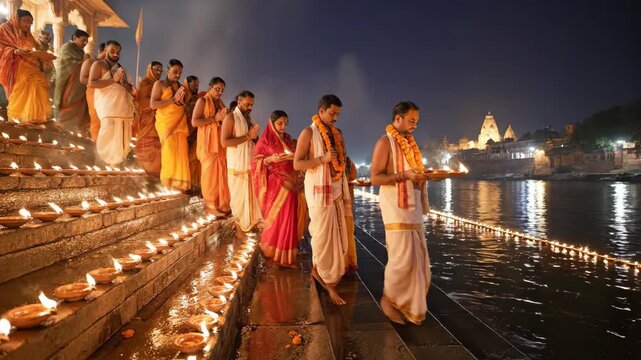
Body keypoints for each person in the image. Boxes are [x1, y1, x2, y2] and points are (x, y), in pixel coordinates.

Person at [370, 101, 430, 325]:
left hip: (412, 206)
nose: (415, 125)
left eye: (417, 121)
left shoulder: (409, 143)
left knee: (417, 257)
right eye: (411, 120)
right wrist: (405, 176)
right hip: (395, 206)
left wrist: (424, 177)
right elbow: (376, 178)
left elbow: (412, 173)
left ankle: (406, 304)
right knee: (402, 258)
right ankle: (388, 300)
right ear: (398, 119)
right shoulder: (385, 142)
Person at [293, 94, 350, 305]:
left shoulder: (337, 134)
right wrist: (322, 160)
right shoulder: (308, 132)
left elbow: (341, 160)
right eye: (332, 113)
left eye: (338, 114)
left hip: (335, 191)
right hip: (318, 191)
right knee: (323, 238)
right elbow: (298, 164)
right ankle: (329, 285)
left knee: (338, 237)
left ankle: (320, 273)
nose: (335, 117)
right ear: (321, 111)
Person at [251, 110, 302, 268]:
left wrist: (293, 156)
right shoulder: (265, 140)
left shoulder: (288, 139)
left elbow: (296, 154)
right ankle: (270, 252)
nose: (283, 126)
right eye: (280, 123)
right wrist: (270, 159)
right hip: (274, 185)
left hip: (290, 184)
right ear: (272, 123)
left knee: (289, 218)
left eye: (286, 123)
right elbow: (255, 162)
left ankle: (285, 256)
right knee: (276, 219)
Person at [0, 10, 51, 127]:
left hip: (32, 65)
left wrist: (42, 58)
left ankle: (33, 119)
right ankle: (18, 118)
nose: (28, 25)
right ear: (17, 18)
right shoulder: (5, 28)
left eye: (31, 22)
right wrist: (13, 51)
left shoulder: (29, 35)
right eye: (26, 21)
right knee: (24, 86)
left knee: (39, 85)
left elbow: (33, 49)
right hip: (15, 65)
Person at [221, 90, 262, 235]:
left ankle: (249, 228)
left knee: (250, 199)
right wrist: (247, 136)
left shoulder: (248, 119)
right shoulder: (230, 118)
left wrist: (254, 137)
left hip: (248, 165)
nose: (250, 108)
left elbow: (251, 140)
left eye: (252, 105)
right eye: (247, 104)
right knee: (238, 201)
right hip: (237, 167)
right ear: (239, 101)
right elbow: (225, 142)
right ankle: (239, 231)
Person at [88, 40, 134, 165]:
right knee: (106, 134)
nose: (115, 54)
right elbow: (91, 83)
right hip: (108, 106)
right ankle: (102, 162)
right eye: (112, 51)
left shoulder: (120, 68)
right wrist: (113, 80)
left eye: (118, 52)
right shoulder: (98, 65)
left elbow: (123, 85)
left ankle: (115, 164)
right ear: (106, 51)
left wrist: (127, 87)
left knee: (121, 136)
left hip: (122, 107)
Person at [192, 77, 230, 216]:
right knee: (209, 176)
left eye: (222, 90)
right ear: (210, 88)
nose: (220, 92)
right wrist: (215, 119)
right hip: (207, 145)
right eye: (217, 89)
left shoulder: (221, 103)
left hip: (219, 144)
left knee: (220, 175)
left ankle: (222, 204)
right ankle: (210, 206)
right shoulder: (202, 101)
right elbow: (195, 122)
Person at [151, 59, 190, 191]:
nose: (178, 75)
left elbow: (181, 105)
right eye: (175, 72)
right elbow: (153, 104)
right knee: (169, 152)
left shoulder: (180, 87)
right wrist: (173, 100)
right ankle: (168, 184)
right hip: (166, 123)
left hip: (179, 124)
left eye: (180, 72)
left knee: (181, 154)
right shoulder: (159, 84)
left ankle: (179, 185)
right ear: (168, 71)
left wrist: (181, 103)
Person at [53, 29, 90, 135]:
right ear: (74, 38)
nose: (85, 43)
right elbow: (70, 63)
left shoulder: (81, 51)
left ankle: (74, 133)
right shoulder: (67, 47)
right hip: (69, 83)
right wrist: (85, 61)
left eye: (86, 41)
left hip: (79, 85)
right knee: (68, 103)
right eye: (83, 40)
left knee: (79, 108)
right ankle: (63, 130)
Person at [134, 61, 162, 176]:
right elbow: (142, 100)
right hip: (147, 118)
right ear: (150, 69)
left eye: (161, 70)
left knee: (157, 144)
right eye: (156, 69)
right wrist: (155, 105)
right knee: (147, 142)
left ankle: (156, 171)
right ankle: (145, 168)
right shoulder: (145, 83)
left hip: (158, 119)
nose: (159, 72)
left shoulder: (160, 84)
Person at [80, 42, 105, 141]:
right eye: (107, 52)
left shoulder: (109, 66)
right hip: (93, 92)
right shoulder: (90, 62)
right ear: (100, 51)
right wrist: (99, 83)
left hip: (107, 96)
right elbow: (83, 79)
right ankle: (96, 144)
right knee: (96, 118)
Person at [183, 75, 203, 191]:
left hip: (196, 132)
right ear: (188, 84)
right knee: (186, 157)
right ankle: (185, 183)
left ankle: (193, 183)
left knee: (194, 158)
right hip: (184, 130)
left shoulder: (199, 98)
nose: (196, 87)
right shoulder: (183, 95)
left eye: (197, 85)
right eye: (193, 84)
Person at [344, 156, 358, 271]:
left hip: (346, 199)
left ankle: (348, 261)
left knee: (347, 230)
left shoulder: (349, 162)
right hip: (336, 200)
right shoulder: (330, 159)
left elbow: (353, 176)